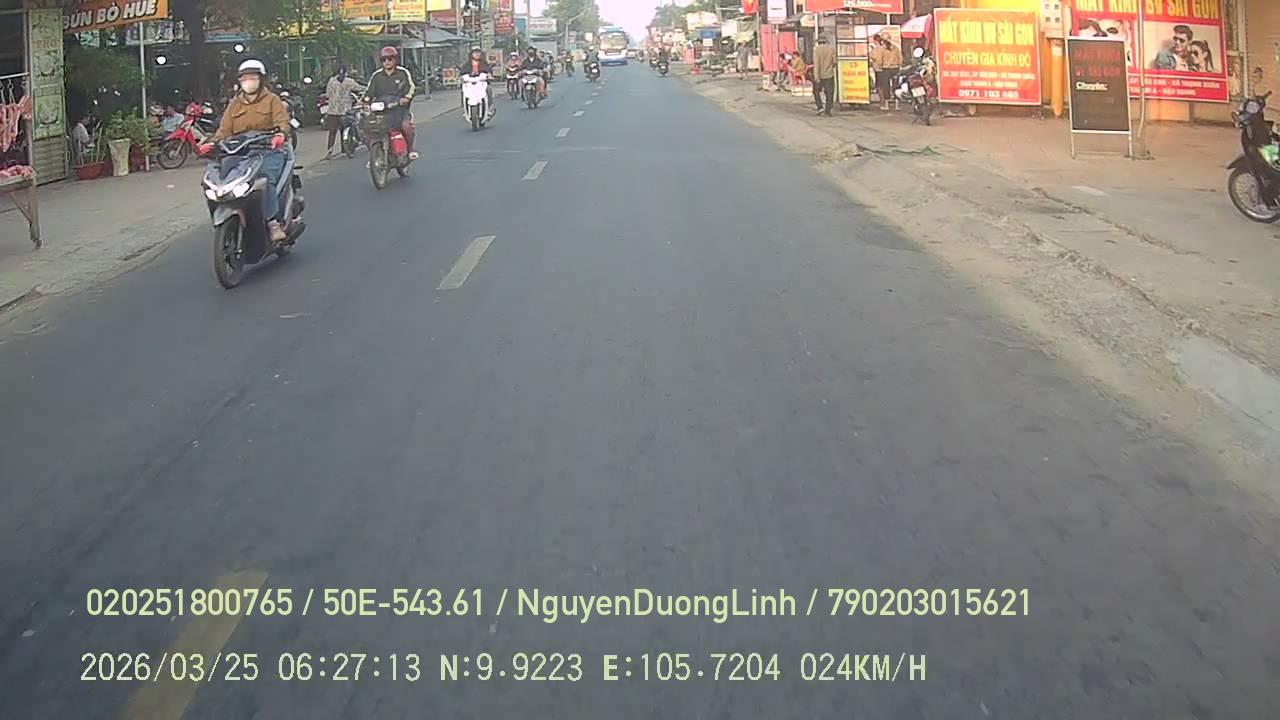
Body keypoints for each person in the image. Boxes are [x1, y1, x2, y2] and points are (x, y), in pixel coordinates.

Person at [200, 59, 292, 243]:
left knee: (265, 179)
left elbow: (282, 123)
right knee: (220, 178)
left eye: (252, 78)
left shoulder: (272, 100)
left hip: (268, 150)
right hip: (240, 153)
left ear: (261, 80)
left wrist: (280, 135)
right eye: (244, 79)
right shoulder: (235, 104)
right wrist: (211, 143)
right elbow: (224, 130)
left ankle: (273, 222)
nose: (248, 82)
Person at [365, 46, 418, 161]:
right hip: (381, 111)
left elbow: (411, 87)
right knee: (368, 130)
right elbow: (369, 91)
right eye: (384, 59)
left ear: (395, 59)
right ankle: (375, 157)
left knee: (406, 127)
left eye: (390, 59)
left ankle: (410, 150)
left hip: (399, 110)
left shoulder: (403, 73)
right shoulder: (376, 76)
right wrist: (364, 101)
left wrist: (406, 98)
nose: (387, 62)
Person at [323, 66, 357, 158]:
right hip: (342, 110)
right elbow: (359, 88)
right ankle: (340, 149)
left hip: (335, 110)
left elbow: (328, 94)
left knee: (333, 131)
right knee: (342, 129)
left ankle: (331, 150)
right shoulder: (349, 81)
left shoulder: (332, 81)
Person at [459, 46, 496, 117]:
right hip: (470, 83)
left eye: (478, 52)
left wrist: (489, 75)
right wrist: (462, 77)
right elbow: (462, 72)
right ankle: (465, 109)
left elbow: (488, 71)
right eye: (475, 52)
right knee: (463, 91)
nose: (477, 54)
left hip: (481, 83)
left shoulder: (484, 63)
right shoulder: (467, 64)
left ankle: (489, 108)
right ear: (471, 54)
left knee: (488, 89)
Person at [870, 34, 900, 111]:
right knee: (896, 86)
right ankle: (897, 105)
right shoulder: (895, 48)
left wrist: (880, 65)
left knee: (886, 86)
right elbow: (900, 58)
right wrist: (898, 65)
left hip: (886, 69)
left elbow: (879, 60)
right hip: (895, 68)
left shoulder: (882, 49)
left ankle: (886, 105)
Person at [813, 36, 837, 117]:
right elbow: (834, 62)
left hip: (819, 74)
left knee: (816, 91)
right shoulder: (831, 49)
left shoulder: (816, 50)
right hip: (829, 74)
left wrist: (816, 76)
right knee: (829, 93)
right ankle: (828, 110)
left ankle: (820, 107)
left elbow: (816, 63)